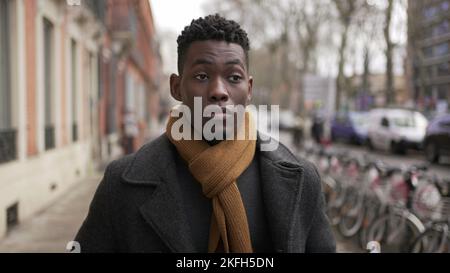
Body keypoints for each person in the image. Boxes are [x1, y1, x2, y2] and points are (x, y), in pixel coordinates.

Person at [74, 14, 336, 253]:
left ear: (250, 89)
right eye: (201, 75)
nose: (219, 90)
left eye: (234, 77)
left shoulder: (301, 179)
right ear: (176, 87)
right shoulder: (121, 184)